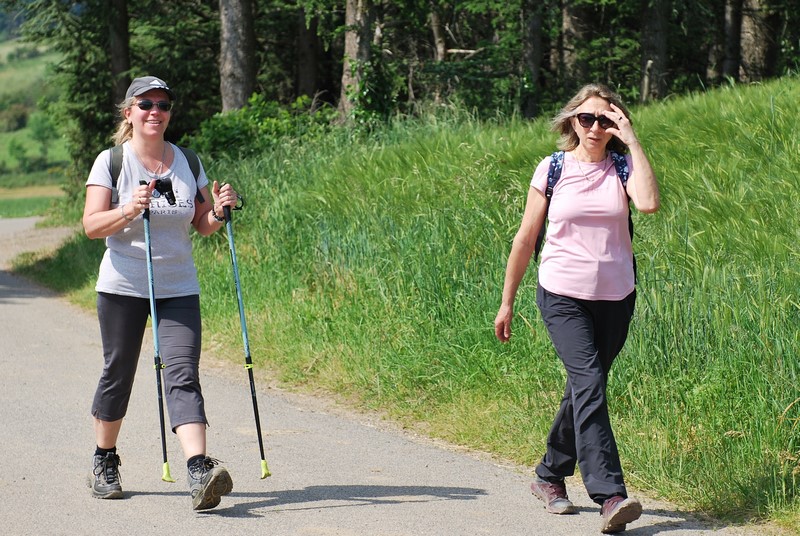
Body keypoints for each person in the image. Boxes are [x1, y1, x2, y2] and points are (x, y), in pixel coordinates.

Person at [494, 83, 660, 534]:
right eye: (587, 118)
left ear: (616, 125)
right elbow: (526, 238)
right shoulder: (553, 167)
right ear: (573, 121)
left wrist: (632, 140)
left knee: (586, 387)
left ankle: (549, 474)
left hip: (616, 297)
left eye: (606, 120)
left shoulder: (623, 166)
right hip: (562, 294)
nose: (595, 127)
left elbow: (648, 203)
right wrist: (507, 301)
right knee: (589, 382)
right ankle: (610, 495)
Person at [82, 76, 241, 511]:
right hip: (123, 286)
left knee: (183, 372)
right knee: (119, 372)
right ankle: (104, 460)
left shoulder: (187, 160)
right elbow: (91, 225)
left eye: (163, 105)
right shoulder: (111, 161)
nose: (156, 111)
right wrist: (129, 209)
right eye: (146, 104)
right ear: (129, 113)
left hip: (178, 287)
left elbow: (203, 223)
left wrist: (221, 211)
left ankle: (199, 471)